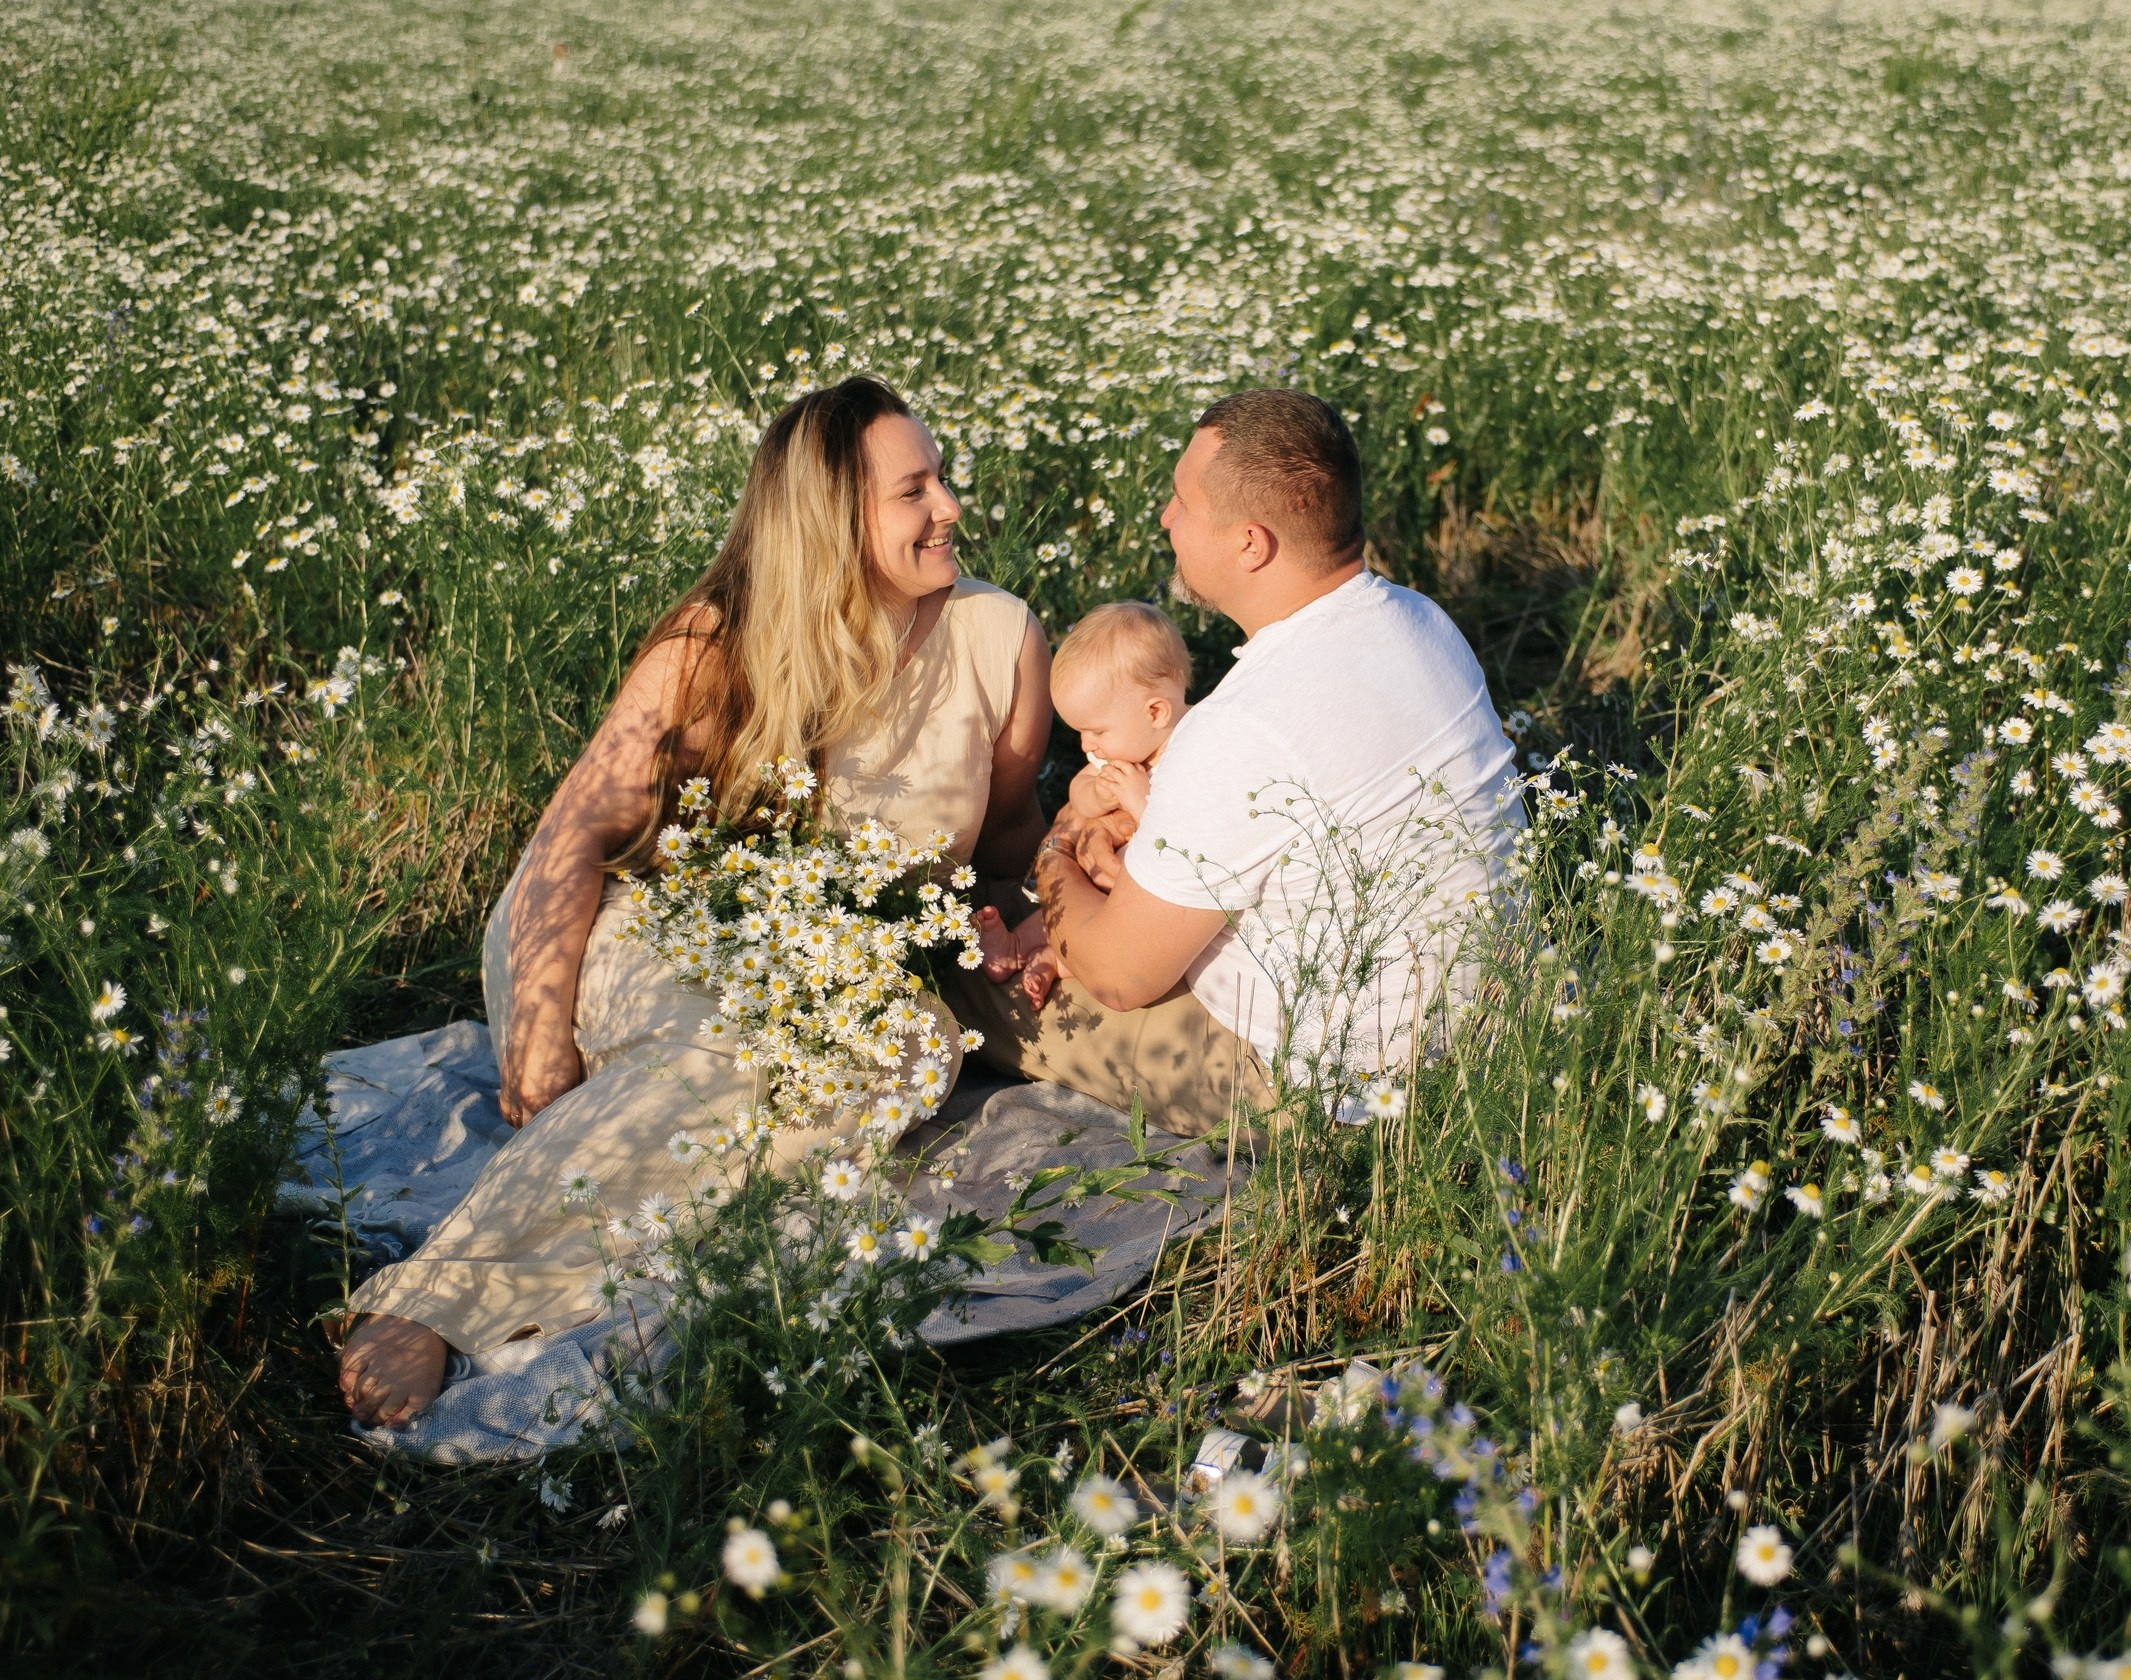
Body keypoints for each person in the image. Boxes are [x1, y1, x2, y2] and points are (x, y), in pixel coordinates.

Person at [337, 377, 1052, 1429]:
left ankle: (624, 1217)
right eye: (915, 490)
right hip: (638, 924)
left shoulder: (999, 636)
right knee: (729, 1049)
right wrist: (537, 1029)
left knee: (903, 1044)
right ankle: (442, 1300)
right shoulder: (716, 646)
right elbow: (573, 836)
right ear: (830, 520)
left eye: (939, 478)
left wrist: (1031, 908)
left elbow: (1005, 844)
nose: (949, 505)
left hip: (826, 969)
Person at [956, 388, 1519, 1129]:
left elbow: (1122, 978)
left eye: (1183, 503)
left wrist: (1058, 847)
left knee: (964, 970)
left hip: (1332, 1085)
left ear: (1251, 543)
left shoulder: (1245, 725)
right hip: (1490, 1029)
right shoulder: (1423, 621)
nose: (1165, 518)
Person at [973, 601, 1192, 1006]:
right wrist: (1098, 793)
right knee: (1057, 912)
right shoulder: (1120, 748)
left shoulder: (1190, 752)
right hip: (1098, 886)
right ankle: (1019, 945)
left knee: (1111, 925)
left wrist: (1140, 803)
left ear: (1156, 711)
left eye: (1095, 731)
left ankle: (1056, 960)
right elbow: (1079, 792)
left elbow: (1183, 833)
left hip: (1144, 902)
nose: (1087, 745)